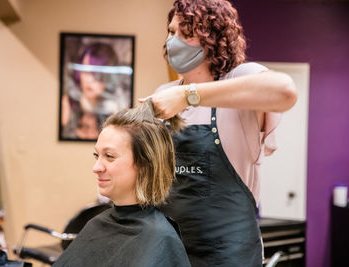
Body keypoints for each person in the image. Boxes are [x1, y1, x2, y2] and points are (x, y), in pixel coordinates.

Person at [139, 0, 298, 266]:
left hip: (229, 256)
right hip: (172, 253)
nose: (172, 40)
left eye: (186, 33)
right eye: (171, 31)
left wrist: (188, 96)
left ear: (213, 39)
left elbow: (285, 91)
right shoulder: (163, 93)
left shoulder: (239, 80)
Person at [53, 102, 191, 267]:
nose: (96, 167)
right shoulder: (97, 224)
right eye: (97, 155)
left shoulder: (161, 239)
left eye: (109, 156)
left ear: (145, 165)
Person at [61, 42, 120, 139]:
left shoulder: (116, 110)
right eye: (85, 71)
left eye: (95, 73)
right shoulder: (68, 105)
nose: (89, 79)